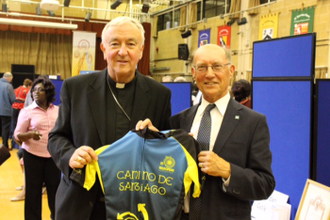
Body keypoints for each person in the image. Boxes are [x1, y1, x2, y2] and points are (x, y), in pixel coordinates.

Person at [48, 16, 171, 220]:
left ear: (141, 51)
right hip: (79, 205)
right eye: (115, 44)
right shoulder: (75, 88)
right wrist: (70, 155)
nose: (122, 52)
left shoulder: (160, 95)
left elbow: (167, 151)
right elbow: (56, 137)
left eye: (131, 44)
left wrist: (159, 139)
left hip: (134, 208)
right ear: (104, 50)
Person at [136, 44, 275, 220]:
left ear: (231, 71)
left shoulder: (253, 122)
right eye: (202, 67)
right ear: (194, 73)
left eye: (217, 66)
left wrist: (228, 171)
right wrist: (156, 142)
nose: (210, 74)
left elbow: (265, 184)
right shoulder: (178, 122)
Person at [14, 76, 61, 219]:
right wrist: (29, 135)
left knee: (55, 192)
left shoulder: (57, 111)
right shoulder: (27, 111)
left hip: (53, 157)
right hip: (33, 156)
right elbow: (17, 135)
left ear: (48, 93)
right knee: (33, 193)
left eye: (40, 90)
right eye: (34, 90)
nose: (35, 93)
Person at [11, 78, 33, 149]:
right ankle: (18, 144)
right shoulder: (28, 91)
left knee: (14, 125)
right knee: (20, 126)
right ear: (29, 85)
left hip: (14, 108)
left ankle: (13, 143)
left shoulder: (16, 89)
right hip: (21, 109)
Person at [0, 72, 16, 150]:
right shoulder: (9, 86)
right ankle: (4, 146)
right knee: (5, 128)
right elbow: (13, 99)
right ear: (9, 78)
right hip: (5, 111)